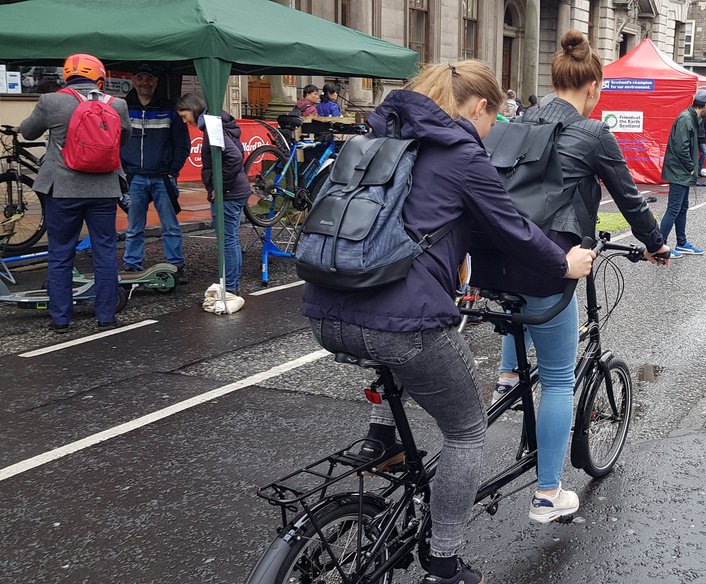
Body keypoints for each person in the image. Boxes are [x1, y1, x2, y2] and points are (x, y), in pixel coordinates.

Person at [304, 60, 596, 584]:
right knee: (466, 427)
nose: (491, 133)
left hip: (327, 310)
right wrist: (562, 263)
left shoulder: (376, 140)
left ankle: (383, 438)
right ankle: (446, 562)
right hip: (401, 323)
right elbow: (510, 228)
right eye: (494, 119)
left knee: (401, 366)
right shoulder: (461, 153)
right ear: (479, 107)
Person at [481, 30, 669, 524]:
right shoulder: (592, 133)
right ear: (592, 87)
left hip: (494, 259)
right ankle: (547, 495)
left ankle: (505, 378)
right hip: (550, 264)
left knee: (517, 305)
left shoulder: (517, 123)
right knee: (560, 380)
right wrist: (656, 244)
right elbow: (628, 198)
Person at [19, 54, 130, 333]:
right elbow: (123, 140)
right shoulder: (117, 104)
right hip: (104, 188)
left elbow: (28, 132)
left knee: (60, 253)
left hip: (62, 190)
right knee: (104, 251)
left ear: (67, 75)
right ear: (99, 76)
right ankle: (106, 316)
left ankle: (60, 319)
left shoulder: (51, 101)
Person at [175, 94, 251, 295]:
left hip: (230, 192)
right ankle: (231, 285)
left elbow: (234, 158)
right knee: (230, 239)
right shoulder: (216, 121)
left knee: (227, 240)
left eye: (185, 115)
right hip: (236, 190)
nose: (185, 121)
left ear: (193, 108)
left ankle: (231, 288)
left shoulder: (212, 126)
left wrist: (220, 186)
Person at [120, 64, 190, 283]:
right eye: (140, 78)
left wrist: (172, 170)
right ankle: (132, 267)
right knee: (133, 228)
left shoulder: (169, 108)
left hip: (162, 177)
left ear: (156, 82)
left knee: (170, 226)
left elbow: (182, 143)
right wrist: (122, 170)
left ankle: (176, 266)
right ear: (133, 80)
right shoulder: (121, 107)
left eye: (149, 78)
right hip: (134, 177)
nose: (145, 83)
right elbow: (113, 141)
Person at [660, 90, 706, 258]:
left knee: (682, 208)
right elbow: (681, 148)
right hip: (680, 172)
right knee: (673, 209)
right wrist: (691, 167)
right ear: (705, 105)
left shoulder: (691, 118)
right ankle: (659, 246)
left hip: (682, 172)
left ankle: (682, 243)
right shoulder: (686, 119)